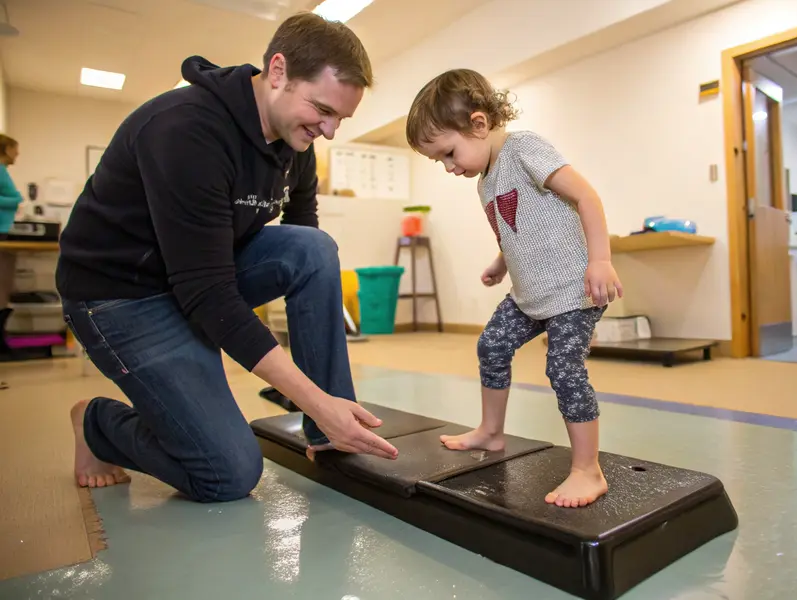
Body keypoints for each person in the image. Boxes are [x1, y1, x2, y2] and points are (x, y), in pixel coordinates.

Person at [57, 11, 398, 503]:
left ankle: (331, 436)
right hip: (120, 297)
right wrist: (310, 396)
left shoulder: (295, 142)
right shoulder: (185, 129)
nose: (329, 131)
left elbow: (304, 250)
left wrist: (320, 399)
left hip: (196, 275)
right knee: (227, 473)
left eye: (340, 118)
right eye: (322, 110)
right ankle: (96, 422)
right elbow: (207, 294)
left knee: (315, 248)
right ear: (277, 72)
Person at [405, 69, 623, 508]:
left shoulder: (524, 149)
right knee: (491, 346)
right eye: (439, 162)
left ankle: (588, 469)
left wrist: (600, 260)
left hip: (571, 292)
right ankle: (491, 431)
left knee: (563, 367)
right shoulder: (485, 181)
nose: (449, 168)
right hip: (529, 296)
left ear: (480, 124)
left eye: (449, 153)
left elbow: (586, 198)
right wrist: (501, 263)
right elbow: (516, 229)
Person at [0, 134, 22, 237]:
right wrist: (18, 199)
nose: (18, 153)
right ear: (8, 149)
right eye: (15, 150)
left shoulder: (2, 170)